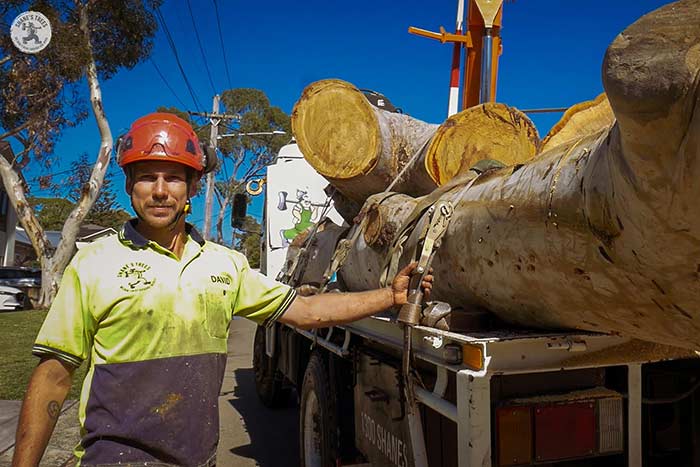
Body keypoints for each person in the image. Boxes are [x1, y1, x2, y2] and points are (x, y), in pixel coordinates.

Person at [11, 113, 433, 466]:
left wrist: (390, 296)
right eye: (147, 177)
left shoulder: (225, 265)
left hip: (197, 456)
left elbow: (306, 313)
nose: (160, 191)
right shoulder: (93, 263)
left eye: (174, 178)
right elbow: (52, 377)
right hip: (114, 458)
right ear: (129, 186)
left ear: (192, 188)